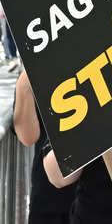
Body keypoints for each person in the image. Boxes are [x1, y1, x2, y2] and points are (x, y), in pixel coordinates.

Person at [14, 69, 76, 224]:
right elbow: (27, 137)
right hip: (49, 196)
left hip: (100, 197)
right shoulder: (38, 62)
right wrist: (24, 85)